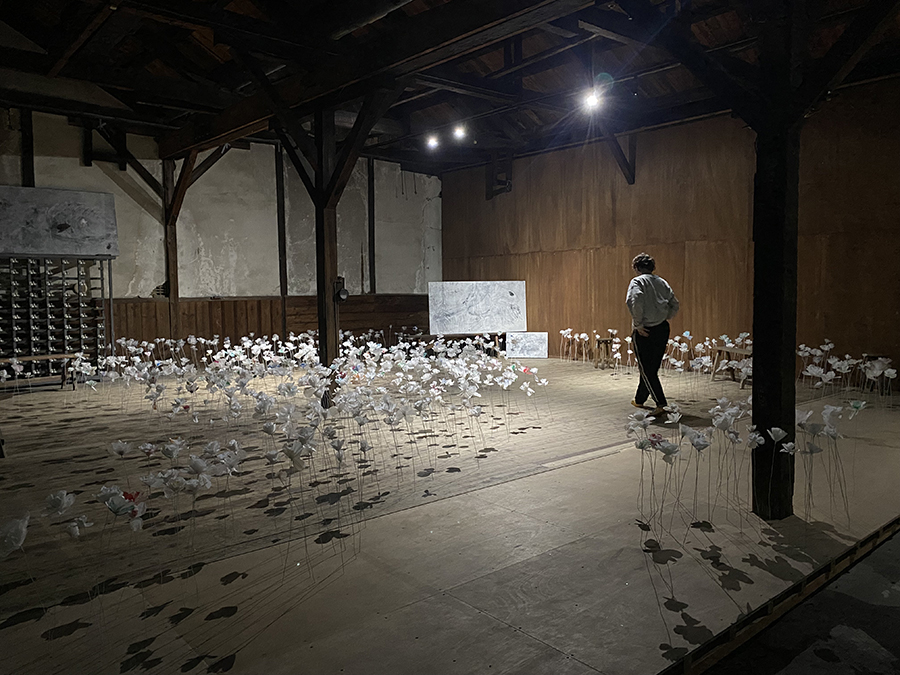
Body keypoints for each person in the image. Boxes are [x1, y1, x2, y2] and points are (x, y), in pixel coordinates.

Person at [625, 253, 679, 416]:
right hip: (662, 328)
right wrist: (665, 316)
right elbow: (674, 303)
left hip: (645, 330)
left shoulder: (637, 282)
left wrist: (638, 324)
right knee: (651, 367)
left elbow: (635, 301)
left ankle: (660, 403)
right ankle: (639, 399)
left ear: (636, 268)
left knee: (646, 369)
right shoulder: (662, 282)